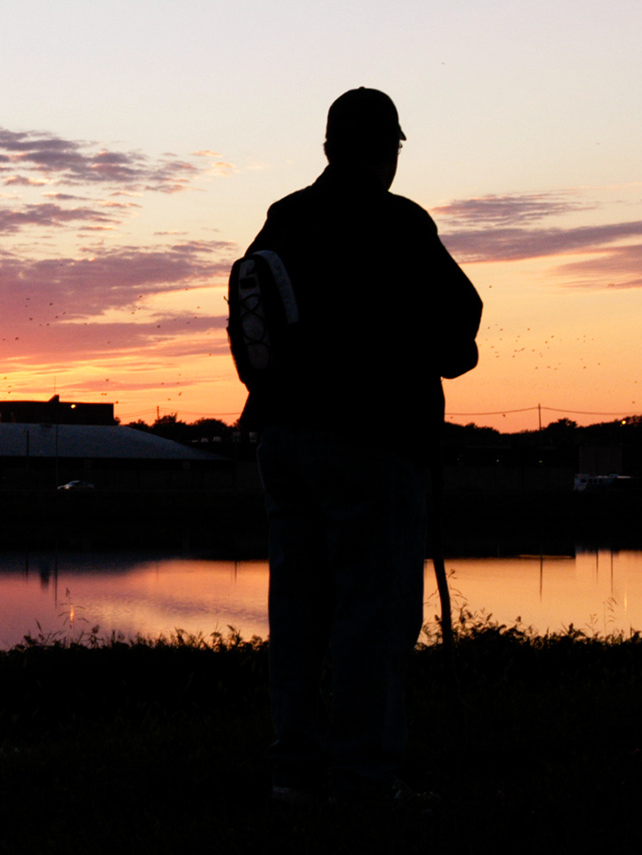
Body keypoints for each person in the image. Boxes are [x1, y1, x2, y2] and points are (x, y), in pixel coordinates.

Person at [236, 87, 483, 804]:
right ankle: (363, 776)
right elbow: (460, 325)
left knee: (300, 609)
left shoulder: (284, 218)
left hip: (281, 438)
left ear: (325, 148)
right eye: (394, 150)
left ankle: (295, 770)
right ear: (387, 151)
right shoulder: (398, 222)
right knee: (372, 612)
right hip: (370, 443)